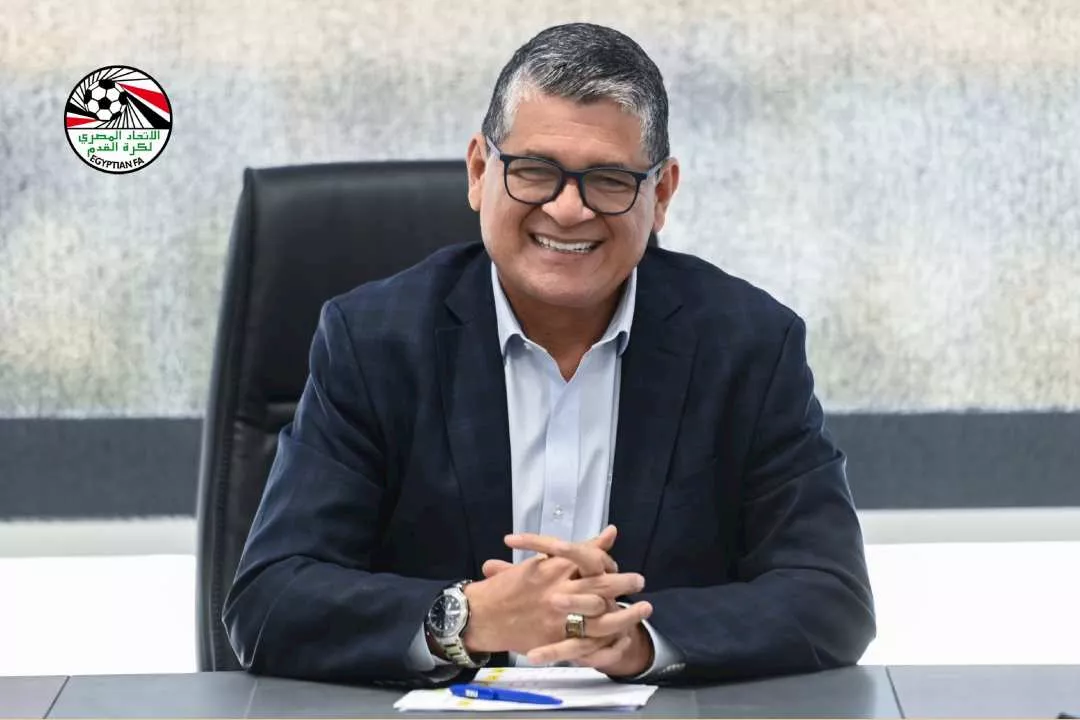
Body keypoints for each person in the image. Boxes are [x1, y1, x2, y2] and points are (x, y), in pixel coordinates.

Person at [223, 22, 875, 687]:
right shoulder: (374, 342)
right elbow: (270, 602)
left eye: (609, 180)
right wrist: (468, 618)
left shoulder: (748, 345)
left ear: (661, 195)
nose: (567, 210)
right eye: (534, 172)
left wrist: (639, 637)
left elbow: (831, 597)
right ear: (480, 172)